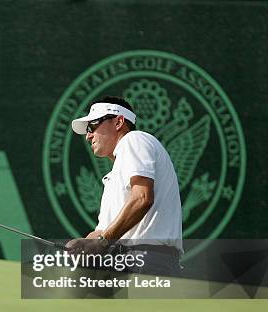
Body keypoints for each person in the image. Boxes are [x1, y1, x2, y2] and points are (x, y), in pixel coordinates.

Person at [65, 96, 183, 276]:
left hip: (146, 259)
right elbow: (103, 232)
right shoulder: (113, 177)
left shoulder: (134, 139)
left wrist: (103, 241)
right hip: (127, 261)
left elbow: (142, 198)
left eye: (93, 126)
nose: (88, 135)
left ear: (119, 122)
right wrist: (83, 244)